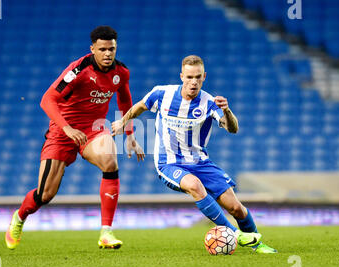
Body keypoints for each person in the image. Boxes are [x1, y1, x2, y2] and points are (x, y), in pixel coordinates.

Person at [111, 55, 277, 253]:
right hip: (169, 163)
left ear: (204, 76)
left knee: (236, 208)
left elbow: (232, 129)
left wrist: (227, 111)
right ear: (181, 76)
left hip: (201, 163)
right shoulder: (162, 94)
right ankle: (236, 234)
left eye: (198, 77)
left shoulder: (209, 102)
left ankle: (257, 246)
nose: (194, 82)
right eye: (189, 77)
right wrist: (123, 122)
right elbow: (140, 106)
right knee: (194, 186)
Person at [5, 25, 145, 250]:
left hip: (94, 129)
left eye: (112, 49)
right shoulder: (78, 70)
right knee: (45, 194)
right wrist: (67, 128)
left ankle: (106, 232)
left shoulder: (121, 72)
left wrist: (130, 134)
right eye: (102, 49)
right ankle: (20, 216)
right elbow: (47, 99)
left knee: (110, 161)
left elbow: (125, 101)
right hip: (63, 132)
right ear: (92, 49)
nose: (108, 54)